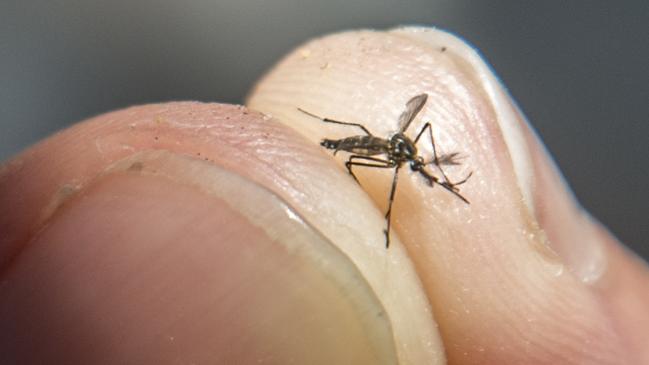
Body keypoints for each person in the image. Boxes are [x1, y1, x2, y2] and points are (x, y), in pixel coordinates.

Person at [1, 28, 647, 364]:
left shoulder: (407, 152)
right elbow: (396, 146)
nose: (421, 164)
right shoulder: (391, 154)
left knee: (396, 161)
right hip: (361, 149)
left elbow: (414, 141)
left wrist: (428, 172)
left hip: (379, 153)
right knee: (369, 153)